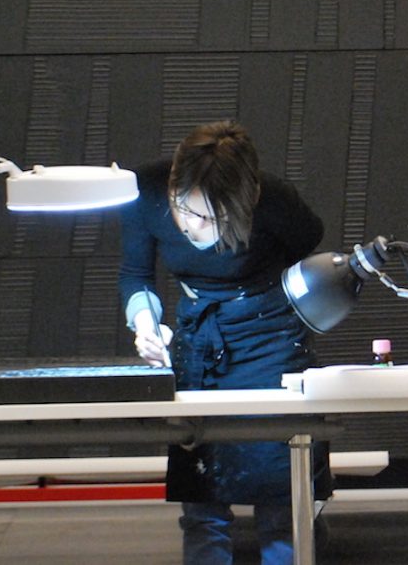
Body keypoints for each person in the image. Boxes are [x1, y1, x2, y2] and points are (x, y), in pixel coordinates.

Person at [118, 120, 330, 564]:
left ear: (244, 201)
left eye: (211, 217)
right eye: (185, 210)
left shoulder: (276, 200)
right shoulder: (144, 190)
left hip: (270, 336)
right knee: (203, 497)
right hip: (198, 339)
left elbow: (307, 244)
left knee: (283, 498)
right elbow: (136, 275)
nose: (193, 226)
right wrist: (145, 324)